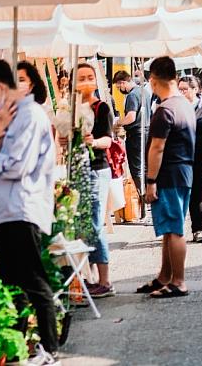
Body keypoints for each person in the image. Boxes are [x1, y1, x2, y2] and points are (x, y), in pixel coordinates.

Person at [0, 60, 60, 366]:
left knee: (33, 279)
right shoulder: (13, 116)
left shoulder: (29, 115)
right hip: (6, 210)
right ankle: (17, 345)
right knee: (13, 281)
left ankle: (49, 348)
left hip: (20, 207)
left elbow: (16, 166)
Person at [136, 57, 196, 298]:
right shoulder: (184, 105)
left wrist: (150, 181)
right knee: (171, 229)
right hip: (183, 173)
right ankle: (164, 276)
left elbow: (157, 148)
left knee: (175, 229)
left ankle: (179, 281)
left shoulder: (165, 110)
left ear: (152, 80)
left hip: (169, 175)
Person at [72, 63, 115, 298]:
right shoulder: (70, 110)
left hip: (97, 169)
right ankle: (89, 278)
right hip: (78, 169)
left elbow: (108, 141)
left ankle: (105, 281)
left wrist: (92, 142)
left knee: (96, 225)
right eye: (81, 78)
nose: (86, 81)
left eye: (90, 77)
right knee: (82, 225)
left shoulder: (102, 108)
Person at [178, 76, 202, 243]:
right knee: (180, 193)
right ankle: (175, 231)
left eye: (185, 89)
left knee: (197, 193)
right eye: (180, 89)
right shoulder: (175, 107)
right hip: (180, 158)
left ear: (195, 89)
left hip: (200, 157)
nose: (182, 92)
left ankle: (198, 229)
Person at [112, 70, 151, 215]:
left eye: (118, 87)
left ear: (123, 83)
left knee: (137, 169)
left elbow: (131, 117)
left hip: (136, 134)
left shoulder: (132, 95)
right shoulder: (144, 92)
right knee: (145, 167)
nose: (119, 90)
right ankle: (147, 201)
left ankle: (142, 203)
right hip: (146, 131)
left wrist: (118, 123)